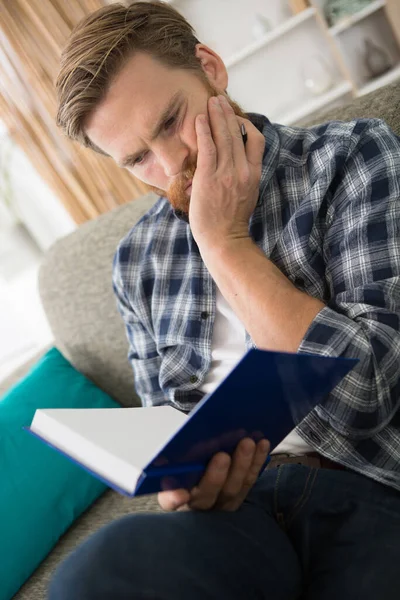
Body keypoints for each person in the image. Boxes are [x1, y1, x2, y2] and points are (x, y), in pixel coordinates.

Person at [50, 1, 400, 598]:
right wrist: (180, 485)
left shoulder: (351, 157)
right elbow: (161, 433)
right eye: (137, 159)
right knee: (89, 576)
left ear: (210, 69)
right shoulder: (137, 262)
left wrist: (223, 241)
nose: (169, 166)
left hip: (371, 487)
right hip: (236, 516)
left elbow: (367, 396)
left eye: (170, 122)